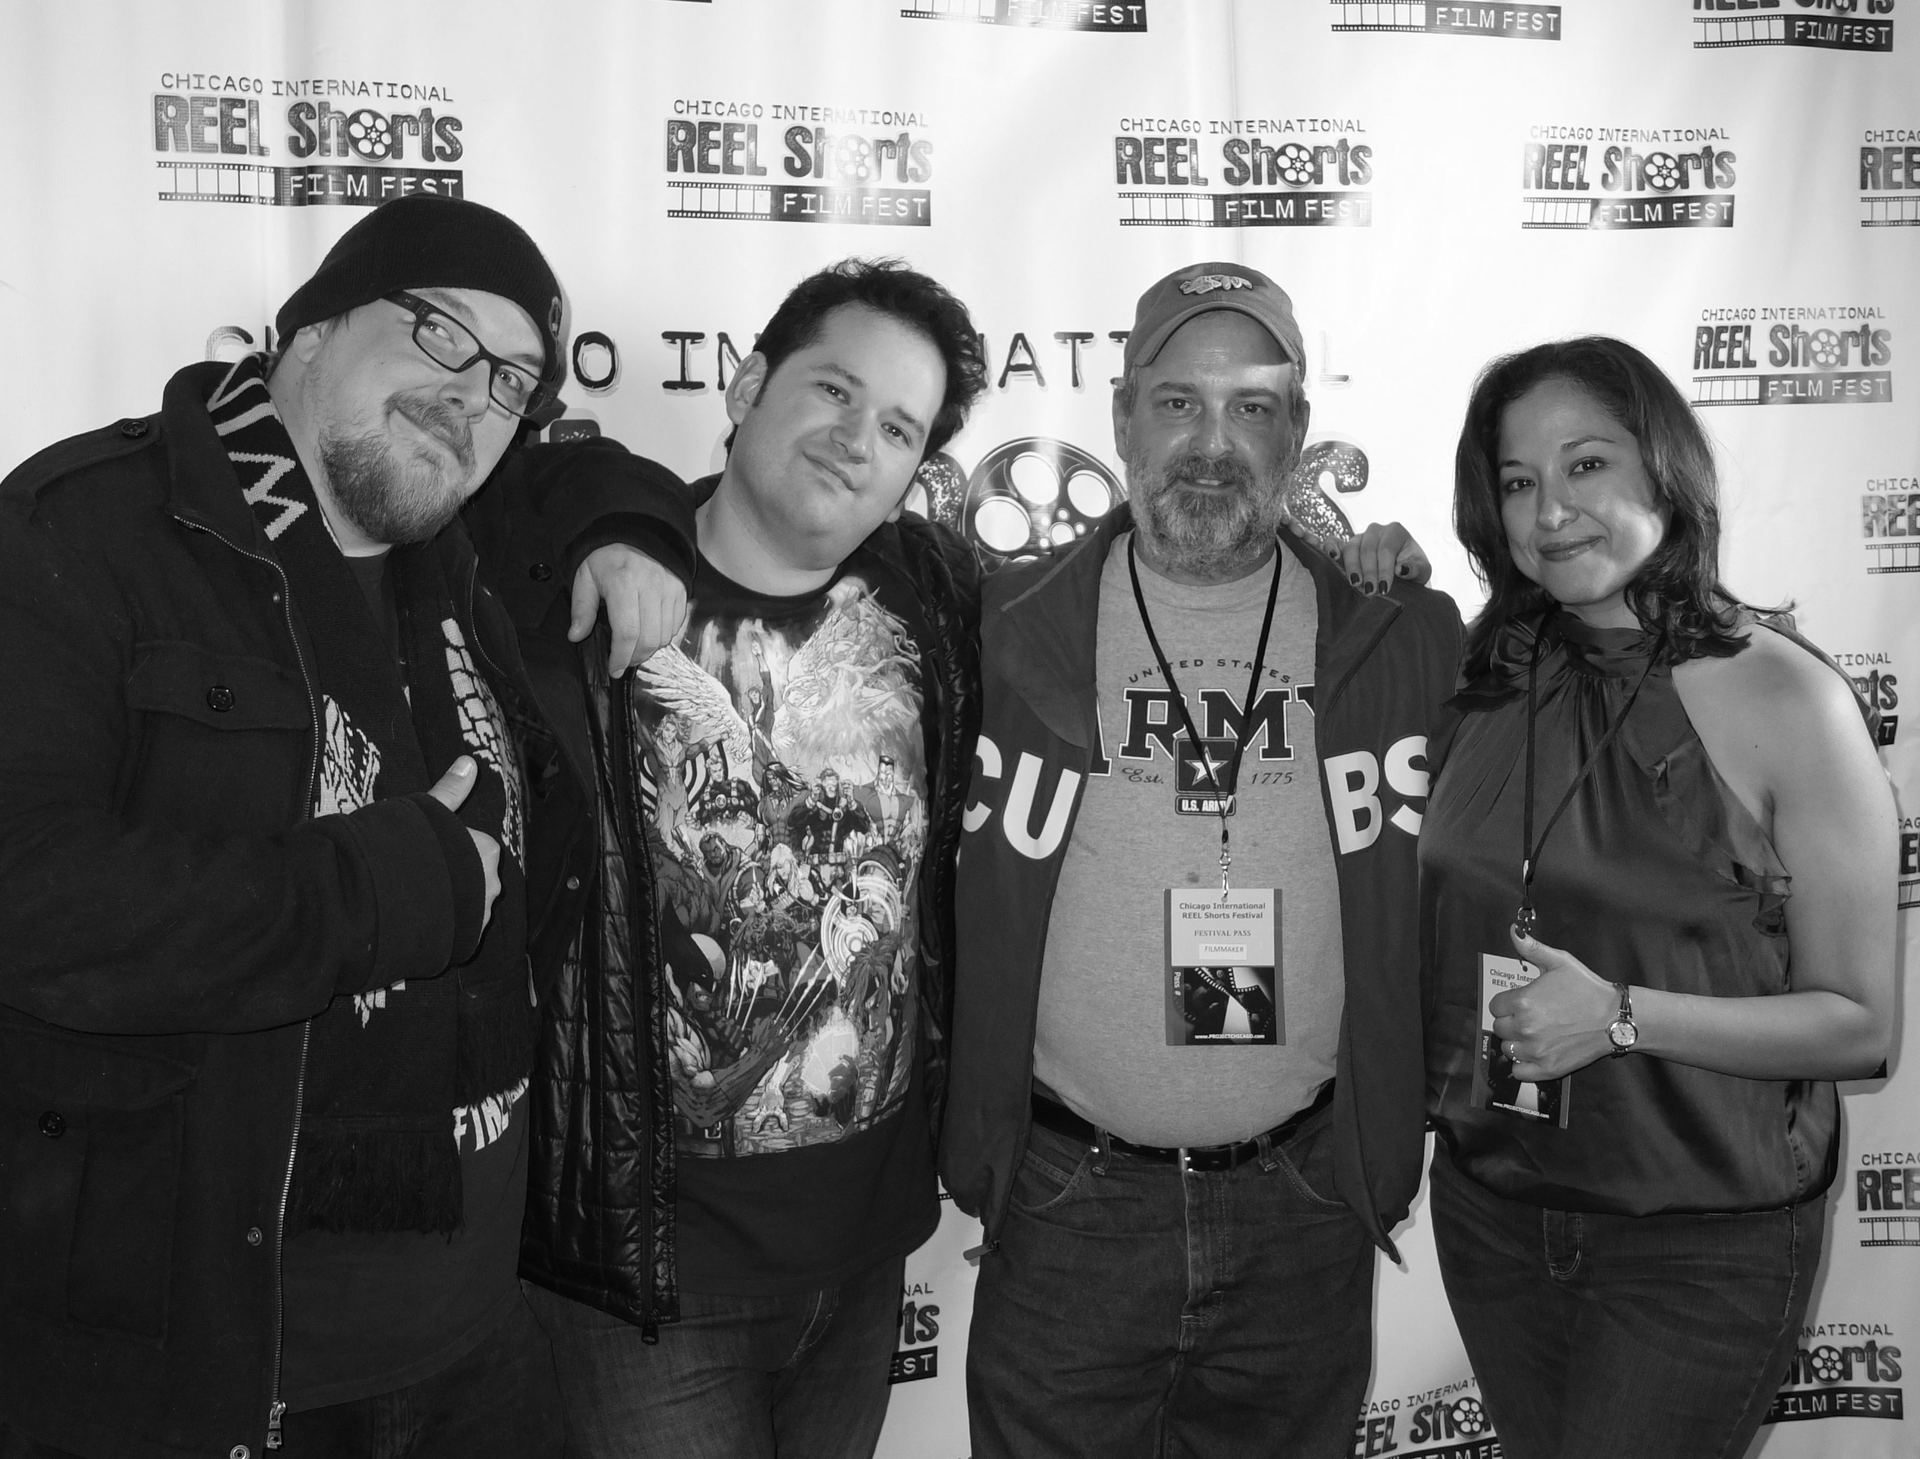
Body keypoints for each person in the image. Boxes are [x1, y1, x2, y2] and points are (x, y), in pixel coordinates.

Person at [0, 193, 681, 1459]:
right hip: (215, 1357)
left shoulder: (464, 548)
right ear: (307, 333)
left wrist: (629, 523)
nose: (472, 397)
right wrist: (377, 894)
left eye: (513, 380)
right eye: (438, 334)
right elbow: (30, 902)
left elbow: (587, 466)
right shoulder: (82, 532)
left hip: (477, 1338)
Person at [938, 260, 1464, 1459]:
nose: (1213, 441)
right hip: (1072, 1199)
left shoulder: (1402, 640)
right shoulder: (998, 625)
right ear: (1121, 417)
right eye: (1178, 402)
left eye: (1254, 406)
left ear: (1301, 435)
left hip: (1304, 1199)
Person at [515, 258, 989, 1459]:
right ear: (746, 384)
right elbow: (482, 485)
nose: (854, 440)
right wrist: (603, 509)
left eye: (897, 426)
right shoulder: (587, 591)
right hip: (650, 1278)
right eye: (833, 390)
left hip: (866, 1249)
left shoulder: (933, 597)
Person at [1420, 337, 1895, 1459]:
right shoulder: (1489, 673)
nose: (1551, 512)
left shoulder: (1787, 697)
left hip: (1698, 1244)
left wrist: (1622, 1015)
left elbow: (1861, 1025)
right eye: (1521, 481)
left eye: (1585, 465)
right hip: (1497, 1215)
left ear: (1664, 467)